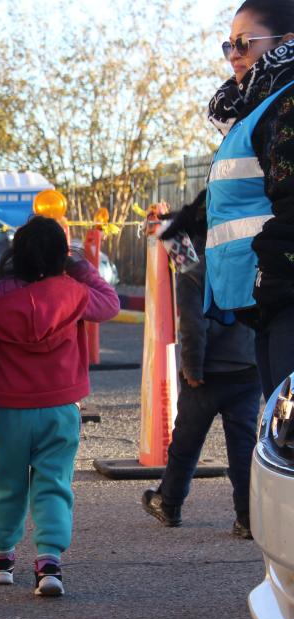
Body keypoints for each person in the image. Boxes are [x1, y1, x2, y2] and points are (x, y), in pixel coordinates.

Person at [0, 216, 119, 597]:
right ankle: (49, 564)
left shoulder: (1, 295)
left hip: (11, 409)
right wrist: (81, 266)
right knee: (54, 482)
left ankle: (2, 559)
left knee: (8, 481)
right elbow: (110, 303)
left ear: (16, 255)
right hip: (61, 407)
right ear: (62, 257)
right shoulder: (73, 293)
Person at [141, 191, 260, 539]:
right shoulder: (250, 252)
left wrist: (192, 368)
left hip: (208, 373)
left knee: (187, 441)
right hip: (247, 368)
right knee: (242, 446)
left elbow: (193, 322)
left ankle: (170, 503)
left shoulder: (191, 260)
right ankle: (248, 517)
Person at [207, 0, 294, 399]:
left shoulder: (286, 105)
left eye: (244, 43)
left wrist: (272, 273)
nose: (234, 56)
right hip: (268, 299)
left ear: (286, 43)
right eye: (228, 45)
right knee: (279, 429)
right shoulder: (256, 108)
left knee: (286, 434)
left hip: (284, 294)